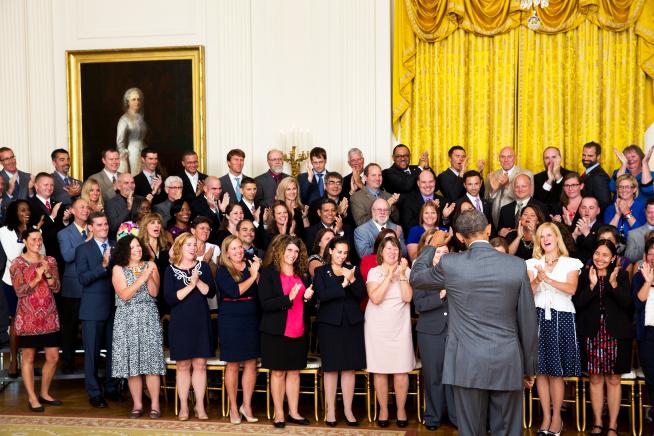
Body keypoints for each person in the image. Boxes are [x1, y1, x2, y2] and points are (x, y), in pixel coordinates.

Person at [411, 210, 538, 436]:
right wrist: (529, 367)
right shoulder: (517, 265)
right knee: (507, 431)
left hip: (466, 362)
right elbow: (528, 321)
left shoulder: (451, 264)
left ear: (459, 237)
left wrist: (431, 246)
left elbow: (417, 278)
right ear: (488, 229)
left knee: (470, 430)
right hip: (507, 361)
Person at [526, 222, 583, 436]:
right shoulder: (532, 263)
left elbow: (571, 289)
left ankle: (557, 417)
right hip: (538, 316)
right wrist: (538, 281)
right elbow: (528, 293)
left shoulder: (570, 262)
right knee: (540, 371)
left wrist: (547, 278)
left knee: (556, 372)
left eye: (549, 235)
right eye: (542, 236)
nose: (546, 239)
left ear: (557, 238)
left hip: (562, 316)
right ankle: (546, 417)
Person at [574, 240, 633, 435]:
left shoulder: (622, 275)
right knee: (595, 378)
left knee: (614, 380)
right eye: (597, 253)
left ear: (613, 258)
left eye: (605, 255)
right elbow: (578, 304)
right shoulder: (585, 275)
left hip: (615, 335)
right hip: (592, 333)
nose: (600, 258)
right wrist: (591, 287)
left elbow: (627, 305)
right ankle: (598, 422)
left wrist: (613, 285)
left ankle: (613, 425)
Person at [258, 235, 314, 428]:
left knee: (294, 373)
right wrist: (288, 298)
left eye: (296, 251)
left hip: (298, 329)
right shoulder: (268, 273)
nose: (293, 254)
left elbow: (307, 304)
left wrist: (307, 298)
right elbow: (265, 304)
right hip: (276, 331)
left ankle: (294, 412)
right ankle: (279, 413)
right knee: (278, 373)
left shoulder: (302, 274)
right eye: (289, 250)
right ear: (280, 251)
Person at [111, 235, 165, 419]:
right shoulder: (118, 269)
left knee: (151, 364)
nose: (137, 249)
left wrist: (148, 272)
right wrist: (142, 277)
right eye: (133, 247)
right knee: (131, 365)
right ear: (125, 250)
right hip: (126, 318)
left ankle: (155, 405)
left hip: (148, 315)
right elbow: (124, 295)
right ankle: (137, 404)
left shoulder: (151, 265)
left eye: (138, 246)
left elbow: (154, 292)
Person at [313, 237, 366, 426]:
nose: (342, 256)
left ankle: (348, 410)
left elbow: (361, 295)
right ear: (331, 251)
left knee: (349, 368)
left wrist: (352, 280)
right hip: (329, 324)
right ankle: (331, 411)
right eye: (339, 252)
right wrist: (343, 284)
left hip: (351, 323)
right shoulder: (320, 271)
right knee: (331, 368)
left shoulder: (353, 269)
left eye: (345, 252)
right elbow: (323, 295)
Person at [164, 233, 216, 420]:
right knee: (183, 365)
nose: (193, 248)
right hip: (180, 323)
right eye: (188, 245)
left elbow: (210, 293)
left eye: (195, 245)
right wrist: (190, 285)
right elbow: (170, 298)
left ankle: (200, 406)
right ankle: (184, 406)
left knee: (200, 365)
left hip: (200, 321)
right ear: (179, 247)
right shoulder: (170, 271)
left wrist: (198, 281)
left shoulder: (203, 267)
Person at [10, 228, 61, 412]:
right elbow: (19, 291)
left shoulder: (50, 261)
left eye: (39, 239)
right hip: (28, 318)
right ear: (25, 241)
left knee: (53, 357)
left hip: (49, 316)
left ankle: (44, 393)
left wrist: (47, 274)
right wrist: (36, 277)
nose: (37, 243)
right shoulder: (17, 264)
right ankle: (32, 397)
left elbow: (56, 288)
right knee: (28, 358)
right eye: (33, 239)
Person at [365, 236, 415, 428]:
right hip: (377, 327)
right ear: (381, 253)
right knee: (380, 371)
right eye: (388, 249)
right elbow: (375, 298)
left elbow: (408, 297)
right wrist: (388, 275)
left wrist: (401, 274)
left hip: (400, 327)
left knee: (401, 370)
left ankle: (401, 410)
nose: (393, 252)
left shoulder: (407, 271)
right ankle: (384, 410)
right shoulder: (374, 272)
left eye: (395, 249)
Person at [76, 212, 120, 408]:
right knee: (92, 354)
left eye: (105, 224)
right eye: (99, 225)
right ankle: (94, 393)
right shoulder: (82, 250)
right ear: (91, 228)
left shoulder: (117, 246)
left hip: (117, 306)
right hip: (92, 309)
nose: (104, 227)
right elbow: (83, 279)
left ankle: (111, 389)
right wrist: (102, 266)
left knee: (114, 351)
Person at [216, 235, 262, 424]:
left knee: (251, 362)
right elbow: (234, 292)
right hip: (231, 319)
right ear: (226, 252)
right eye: (233, 248)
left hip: (251, 316)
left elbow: (260, 290)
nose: (238, 251)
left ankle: (247, 405)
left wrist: (257, 274)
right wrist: (252, 276)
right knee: (233, 364)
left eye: (240, 248)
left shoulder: (252, 265)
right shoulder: (222, 270)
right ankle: (234, 408)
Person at [412, 242, 457, 431]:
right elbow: (419, 306)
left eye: (445, 252)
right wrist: (440, 295)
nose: (441, 255)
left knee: (454, 377)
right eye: (438, 251)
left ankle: (455, 417)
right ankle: (433, 417)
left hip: (455, 331)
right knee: (432, 376)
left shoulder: (457, 274)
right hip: (430, 332)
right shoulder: (422, 276)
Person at [0, 200, 37, 378]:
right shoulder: (4, 231)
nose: (27, 212)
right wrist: (29, 240)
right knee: (16, 321)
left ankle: (29, 362)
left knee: (32, 321)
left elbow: (41, 254)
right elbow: (14, 256)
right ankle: (14, 361)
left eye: (28, 210)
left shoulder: (35, 229)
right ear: (15, 213)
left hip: (34, 283)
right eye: (22, 210)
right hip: (12, 283)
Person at [56, 198, 90, 374]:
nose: (85, 210)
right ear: (73, 211)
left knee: (90, 327)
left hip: (92, 286)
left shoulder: (95, 229)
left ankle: (92, 361)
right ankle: (68, 362)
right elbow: (68, 256)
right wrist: (87, 242)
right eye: (81, 207)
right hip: (73, 287)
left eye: (87, 207)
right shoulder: (64, 233)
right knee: (69, 327)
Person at [632, 238, 654, 426]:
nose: (653, 257)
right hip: (647, 335)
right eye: (650, 253)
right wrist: (648, 281)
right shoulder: (639, 276)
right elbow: (638, 303)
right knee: (652, 381)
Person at [485, 146, 533, 227]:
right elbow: (486, 200)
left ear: (515, 158)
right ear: (499, 158)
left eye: (509, 156)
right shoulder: (493, 175)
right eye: (502, 157)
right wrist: (493, 191)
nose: (506, 160)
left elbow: (529, 199)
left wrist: (507, 186)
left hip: (515, 221)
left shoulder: (526, 174)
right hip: (494, 221)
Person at [497, 173, 546, 242]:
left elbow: (546, 231)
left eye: (523, 186)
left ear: (530, 187)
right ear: (513, 188)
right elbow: (498, 232)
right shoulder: (505, 209)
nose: (520, 189)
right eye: (517, 186)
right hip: (509, 249)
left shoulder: (541, 207)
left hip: (533, 248)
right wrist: (500, 232)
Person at [138, 213, 171, 316]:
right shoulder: (139, 247)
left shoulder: (166, 246)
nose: (157, 225)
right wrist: (151, 258)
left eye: (158, 223)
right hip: (147, 296)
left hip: (165, 294)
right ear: (145, 226)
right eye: (152, 223)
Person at [397, 168, 445, 237]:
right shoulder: (407, 201)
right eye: (423, 182)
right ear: (418, 183)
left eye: (431, 181)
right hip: (416, 242)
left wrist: (445, 218)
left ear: (435, 182)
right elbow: (407, 227)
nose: (427, 185)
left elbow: (447, 229)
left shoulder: (444, 201)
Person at [604, 174, 646, 242]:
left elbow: (641, 233)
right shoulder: (610, 209)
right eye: (621, 187)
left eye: (627, 187)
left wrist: (627, 213)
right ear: (617, 189)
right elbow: (607, 234)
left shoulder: (642, 207)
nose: (623, 190)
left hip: (635, 246)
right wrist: (617, 215)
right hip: (614, 246)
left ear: (634, 189)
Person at [116, 87, 147, 175]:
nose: (137, 102)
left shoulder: (140, 118)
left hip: (143, 152)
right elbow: (120, 143)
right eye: (133, 99)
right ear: (128, 102)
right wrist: (125, 162)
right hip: (131, 155)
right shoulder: (124, 119)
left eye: (138, 99)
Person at [190, 176, 227, 244]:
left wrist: (224, 212)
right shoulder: (196, 204)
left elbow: (223, 227)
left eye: (220, 188)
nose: (218, 191)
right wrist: (212, 208)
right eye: (214, 189)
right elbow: (204, 226)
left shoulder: (221, 201)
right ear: (205, 188)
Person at [106, 173, 145, 238]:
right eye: (126, 183)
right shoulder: (110, 203)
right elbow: (113, 226)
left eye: (132, 182)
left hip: (140, 239)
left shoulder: (141, 200)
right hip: (120, 242)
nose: (130, 186)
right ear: (118, 186)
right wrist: (128, 208)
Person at [580, 142, 612, 213]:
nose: (585, 158)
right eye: (584, 155)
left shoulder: (600, 176)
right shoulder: (588, 173)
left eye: (590, 156)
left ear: (598, 157)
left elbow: (604, 203)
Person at [572, 196, 604, 265]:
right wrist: (574, 235)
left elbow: (600, 251)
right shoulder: (573, 226)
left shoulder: (603, 229)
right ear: (579, 210)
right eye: (584, 207)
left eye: (591, 208)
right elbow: (565, 250)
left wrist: (587, 233)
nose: (587, 211)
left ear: (598, 211)